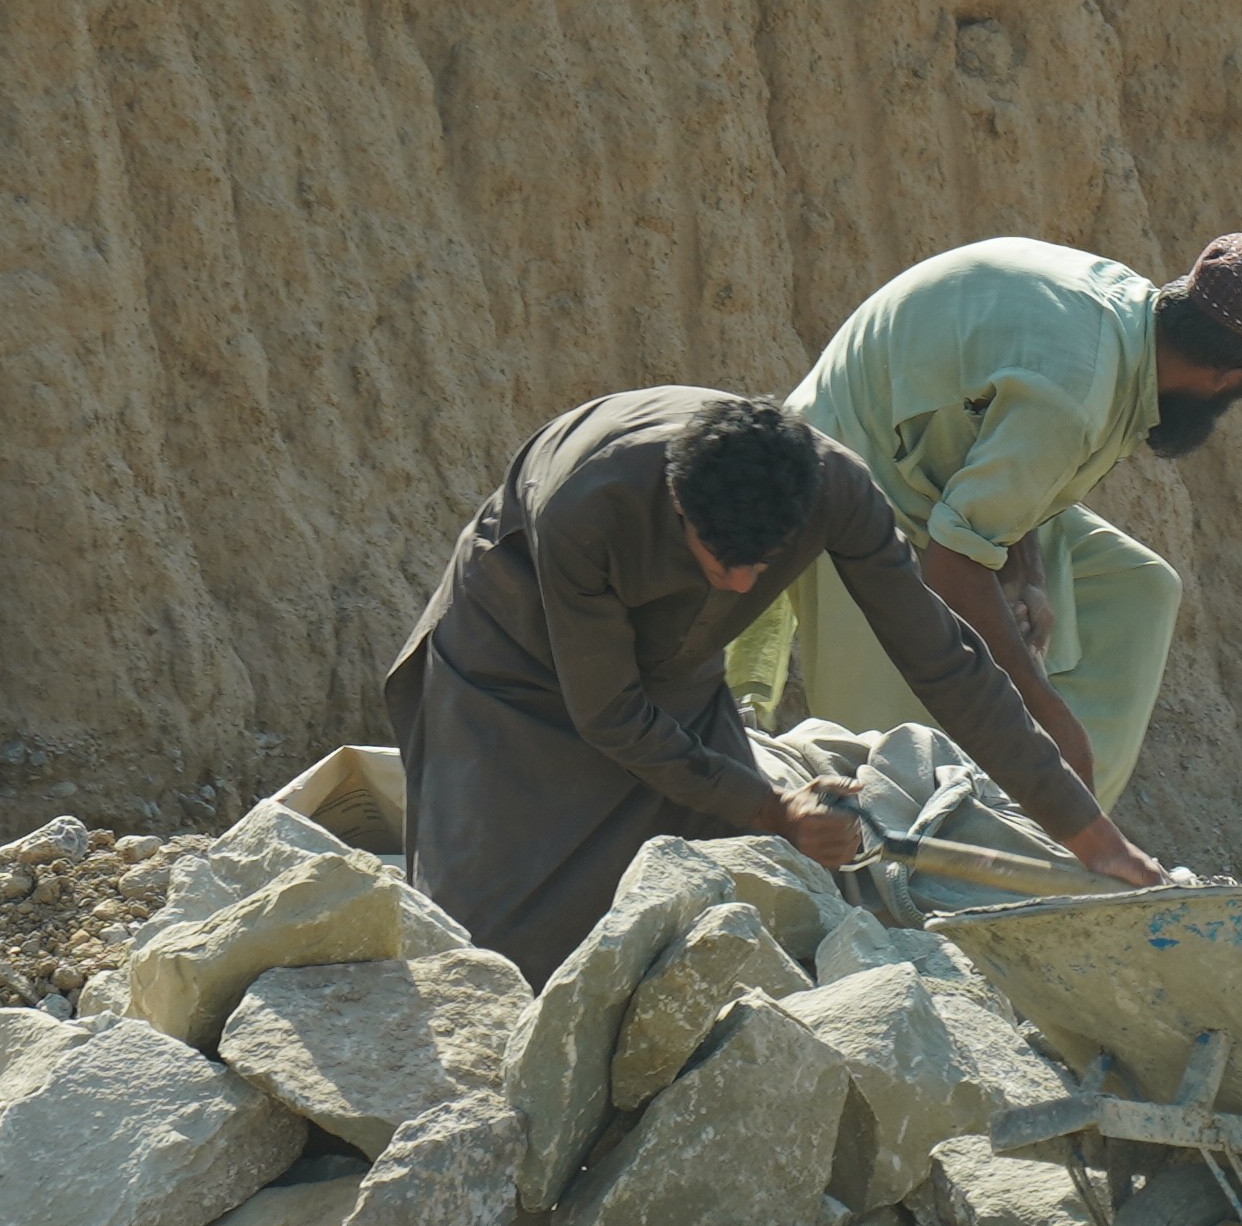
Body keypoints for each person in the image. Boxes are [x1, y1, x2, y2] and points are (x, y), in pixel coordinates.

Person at [382, 386, 1166, 972]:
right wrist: (773, 804)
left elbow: (945, 660)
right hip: (514, 664)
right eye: (718, 558)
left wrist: (1088, 833)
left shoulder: (839, 491)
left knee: (718, 896)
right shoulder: (586, 503)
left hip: (674, 671)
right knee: (481, 948)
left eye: (760, 567)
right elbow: (611, 715)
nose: (736, 585)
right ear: (677, 504)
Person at [750, 232, 1242, 814]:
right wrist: (1048, 719)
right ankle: (915, 857)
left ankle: (1037, 826)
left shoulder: (1125, 314)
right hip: (849, 477)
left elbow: (995, 437)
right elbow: (953, 565)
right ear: (1231, 377)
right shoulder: (1075, 395)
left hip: (938, 483)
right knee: (885, 746)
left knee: (1136, 588)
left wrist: (1030, 577)